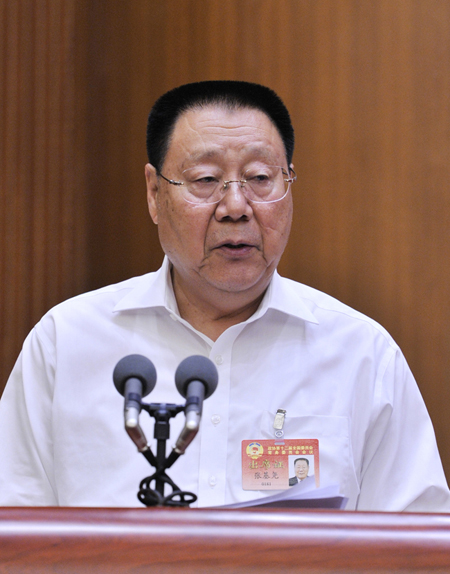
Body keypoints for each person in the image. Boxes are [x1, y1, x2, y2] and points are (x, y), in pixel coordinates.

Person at [0, 80, 449, 511]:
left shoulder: (360, 354)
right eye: (205, 179)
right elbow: (13, 527)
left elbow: (416, 540)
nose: (235, 207)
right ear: (154, 193)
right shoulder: (67, 343)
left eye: (260, 177)